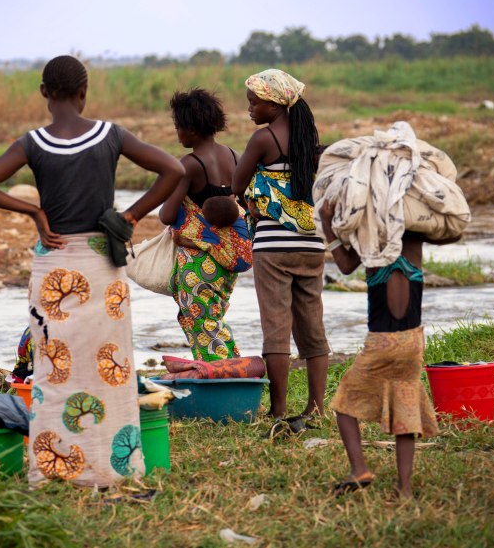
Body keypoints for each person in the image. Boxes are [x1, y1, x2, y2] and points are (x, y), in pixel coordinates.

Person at [0, 55, 183, 489]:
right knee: (112, 368)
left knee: (54, 366)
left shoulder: (33, 143)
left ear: (44, 93)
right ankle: (110, 470)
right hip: (103, 262)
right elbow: (174, 169)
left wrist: (35, 211)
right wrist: (132, 215)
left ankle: (53, 471)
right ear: (84, 93)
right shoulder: (111, 135)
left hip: (55, 263)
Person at [319, 204, 457, 499]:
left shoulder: (369, 235)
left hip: (380, 341)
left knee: (345, 403)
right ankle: (404, 489)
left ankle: (359, 469)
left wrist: (328, 224)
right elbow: (449, 233)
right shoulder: (413, 235)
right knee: (405, 406)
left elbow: (344, 266)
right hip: (412, 341)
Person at [231, 69, 330, 429]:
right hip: (312, 245)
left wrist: (255, 200)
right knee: (312, 326)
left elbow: (237, 183)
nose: (250, 110)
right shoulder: (310, 140)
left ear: (274, 105)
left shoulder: (264, 139)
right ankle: (316, 408)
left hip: (272, 246)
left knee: (276, 327)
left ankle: (277, 411)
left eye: (254, 103)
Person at [159, 88, 251, 362]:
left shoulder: (189, 165)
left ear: (192, 129)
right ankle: (235, 371)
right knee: (213, 320)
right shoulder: (234, 157)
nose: (177, 134)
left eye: (178, 127)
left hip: (198, 262)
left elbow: (166, 214)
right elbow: (243, 205)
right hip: (227, 260)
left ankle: (221, 379)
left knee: (202, 325)